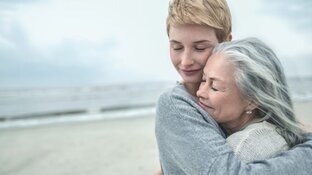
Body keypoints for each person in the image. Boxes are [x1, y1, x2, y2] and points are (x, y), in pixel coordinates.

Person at [155, 0, 312, 174]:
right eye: (176, 47)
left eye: (199, 48)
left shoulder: (243, 101)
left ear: (226, 41)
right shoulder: (176, 104)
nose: (185, 62)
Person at [196, 37, 305, 162]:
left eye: (215, 87)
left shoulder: (242, 148)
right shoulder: (272, 133)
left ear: (252, 100)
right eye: (203, 80)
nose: (200, 92)